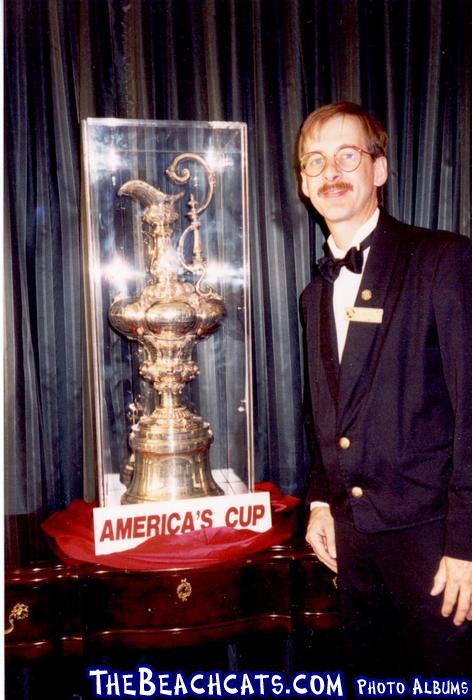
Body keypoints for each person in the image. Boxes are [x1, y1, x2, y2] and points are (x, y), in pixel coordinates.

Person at [299, 101, 472, 678]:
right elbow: (325, 410)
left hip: (436, 547)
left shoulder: (443, 260)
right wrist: (321, 500)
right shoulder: (313, 293)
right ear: (303, 184)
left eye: (348, 155)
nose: (332, 173)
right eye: (316, 162)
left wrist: (468, 546)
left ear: (380, 170)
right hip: (353, 546)